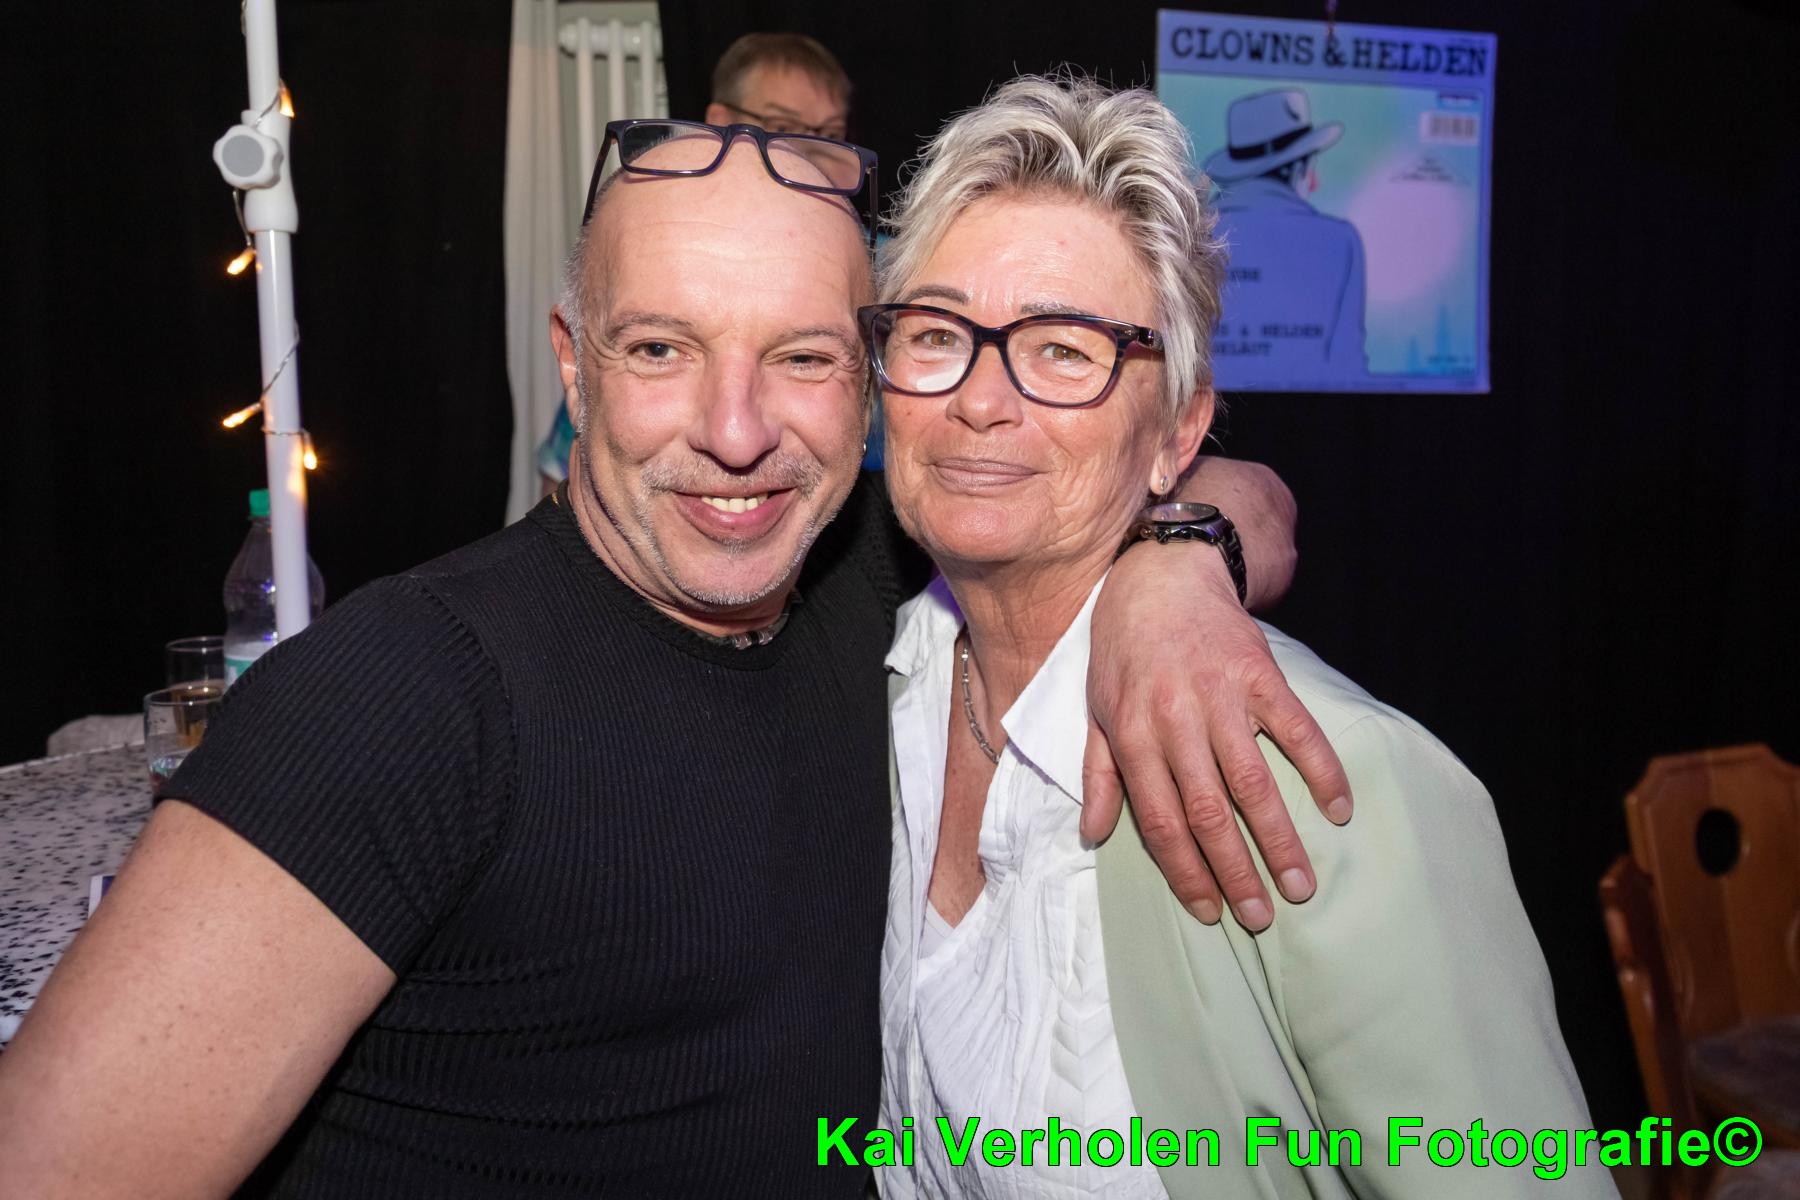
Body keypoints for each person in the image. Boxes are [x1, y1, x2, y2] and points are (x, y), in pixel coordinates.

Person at [0, 122, 1350, 1196]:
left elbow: (1247, 489)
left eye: (802, 357)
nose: (736, 431)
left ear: (871, 382)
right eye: (662, 349)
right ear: (574, 365)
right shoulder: (403, 696)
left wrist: (1174, 566)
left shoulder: (875, 574)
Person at [870, 76, 1612, 1197]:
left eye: (1065, 349)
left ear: (1177, 433)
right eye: (937, 334)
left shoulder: (1327, 782)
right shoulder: (865, 691)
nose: (981, 398)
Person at [537, 32, 856, 488]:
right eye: (784, 126)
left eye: (830, 135)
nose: (811, 154)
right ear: (719, 122)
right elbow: (564, 474)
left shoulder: (886, 270)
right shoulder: (659, 256)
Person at [1204, 88, 1370, 386]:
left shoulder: (1192, 232)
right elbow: (1348, 368)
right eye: (1311, 165)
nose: (1315, 182)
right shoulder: (1339, 241)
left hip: (1202, 412)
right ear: (1296, 167)